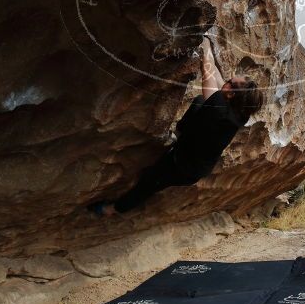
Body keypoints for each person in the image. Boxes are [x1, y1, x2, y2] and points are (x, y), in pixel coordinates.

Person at [88, 37, 264, 217]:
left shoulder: (219, 109)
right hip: (198, 154)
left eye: (230, 82)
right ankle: (179, 134)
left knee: (148, 183)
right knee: (199, 101)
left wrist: (205, 47)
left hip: (183, 166)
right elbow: (218, 81)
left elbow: (209, 73)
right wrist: (209, 46)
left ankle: (112, 209)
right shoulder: (239, 113)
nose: (226, 81)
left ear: (231, 94)